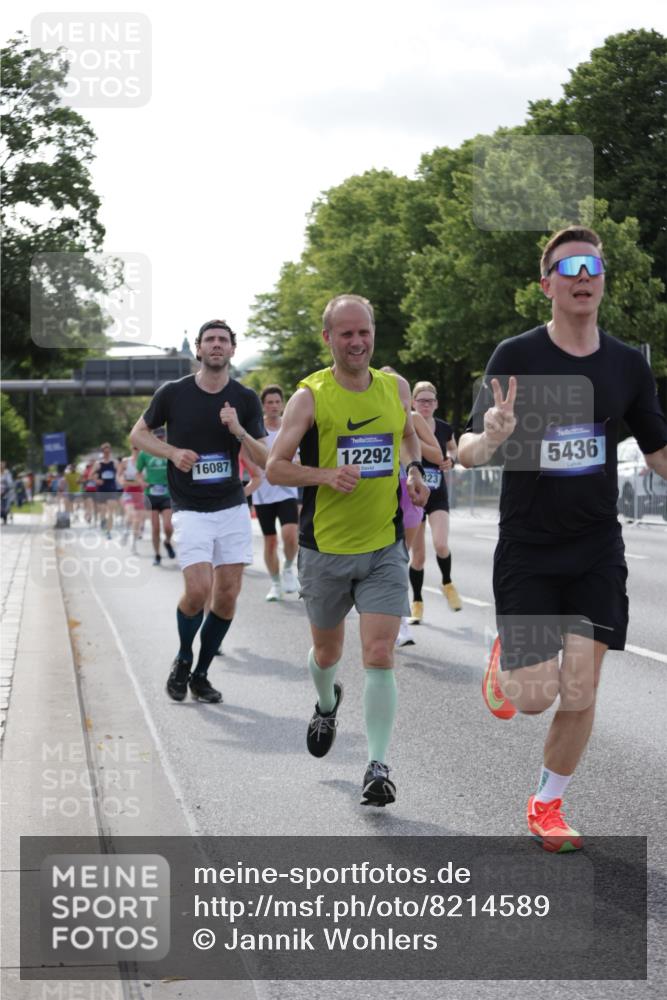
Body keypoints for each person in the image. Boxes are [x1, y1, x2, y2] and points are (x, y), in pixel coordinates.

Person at [458, 225, 667, 852]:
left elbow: (657, 454)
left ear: (602, 282)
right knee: (533, 698)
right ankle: (508, 660)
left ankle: (548, 803)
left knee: (581, 686)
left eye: (593, 267)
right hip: (528, 547)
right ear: (546, 282)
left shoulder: (627, 364)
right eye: (569, 265)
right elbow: (466, 453)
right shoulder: (515, 356)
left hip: (596, 547)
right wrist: (494, 433)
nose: (583, 275)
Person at [267, 294, 429, 807]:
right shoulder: (310, 397)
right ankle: (325, 700)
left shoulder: (394, 388)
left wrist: (413, 471)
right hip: (325, 549)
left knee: (379, 653)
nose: (357, 342)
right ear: (328, 339)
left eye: (364, 332)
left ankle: (377, 766)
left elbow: (407, 438)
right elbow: (275, 467)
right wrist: (323, 475)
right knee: (327, 653)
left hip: (383, 545)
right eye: (346, 335)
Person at [130, 319, 268, 704]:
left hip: (231, 506)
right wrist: (173, 452)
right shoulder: (173, 393)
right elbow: (137, 435)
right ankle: (183, 656)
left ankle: (201, 674)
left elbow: (265, 456)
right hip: (189, 506)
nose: (216, 345)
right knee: (197, 591)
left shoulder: (245, 398)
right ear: (199, 350)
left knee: (226, 597)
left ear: (232, 350)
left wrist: (238, 430)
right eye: (210, 340)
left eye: (223, 340)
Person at [409, 381, 461, 621]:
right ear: (413, 402)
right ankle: (417, 601)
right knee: (418, 557)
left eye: (430, 401)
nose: (426, 405)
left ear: (436, 404)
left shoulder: (443, 428)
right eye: (422, 401)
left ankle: (447, 583)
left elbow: (454, 450)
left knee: (441, 544)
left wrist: (451, 459)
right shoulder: (408, 426)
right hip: (416, 495)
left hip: (437, 493)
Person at [244, 384, 300, 602]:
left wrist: (293, 465)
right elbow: (246, 455)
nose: (274, 406)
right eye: (270, 402)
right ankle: (275, 583)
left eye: (278, 402)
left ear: (283, 404)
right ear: (263, 406)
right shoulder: (256, 429)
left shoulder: (291, 426)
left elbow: (300, 456)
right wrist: (255, 469)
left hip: (286, 490)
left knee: (290, 535)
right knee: (270, 541)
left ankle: (287, 567)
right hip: (263, 493)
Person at [119, 447, 145, 553]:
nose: (136, 450)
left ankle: (133, 544)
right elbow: (120, 477)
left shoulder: (144, 462)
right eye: (134, 447)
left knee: (137, 520)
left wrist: (129, 482)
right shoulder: (126, 461)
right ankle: (125, 531)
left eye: (138, 448)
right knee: (131, 514)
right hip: (128, 493)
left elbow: (141, 482)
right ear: (131, 448)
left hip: (140, 494)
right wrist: (124, 481)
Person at [93, 443, 120, 538]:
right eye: (105, 452)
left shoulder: (115, 463)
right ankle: (103, 522)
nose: (107, 453)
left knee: (111, 511)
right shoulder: (98, 464)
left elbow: (120, 473)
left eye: (108, 452)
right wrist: (97, 480)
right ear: (102, 452)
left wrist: (119, 479)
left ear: (110, 452)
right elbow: (91, 476)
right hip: (101, 490)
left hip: (112, 489)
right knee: (103, 510)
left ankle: (108, 531)